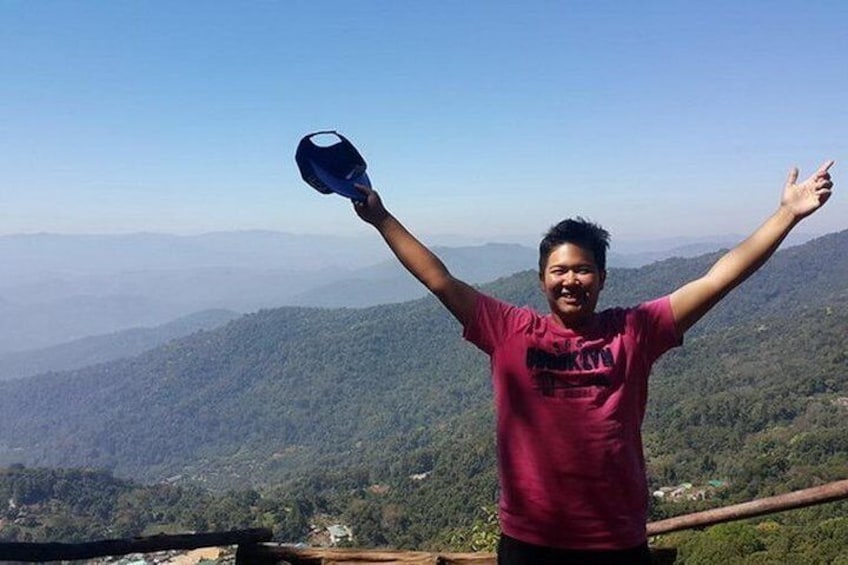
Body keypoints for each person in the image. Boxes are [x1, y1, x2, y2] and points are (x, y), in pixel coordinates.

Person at [352, 160, 835, 564]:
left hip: (614, 541)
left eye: (583, 269)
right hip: (529, 541)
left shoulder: (635, 331)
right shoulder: (509, 330)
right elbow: (439, 279)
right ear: (541, 280)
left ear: (602, 278)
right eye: (558, 270)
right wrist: (381, 218)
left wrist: (786, 216)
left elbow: (716, 280)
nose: (570, 280)